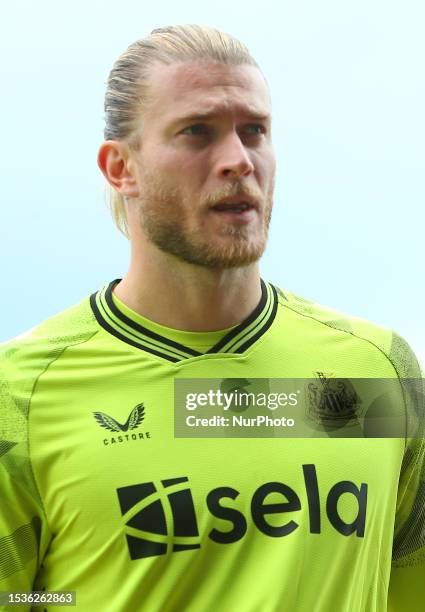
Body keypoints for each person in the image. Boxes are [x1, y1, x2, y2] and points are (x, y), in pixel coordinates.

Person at [0, 24, 423, 612]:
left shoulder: (380, 372)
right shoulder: (19, 394)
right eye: (197, 132)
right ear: (121, 168)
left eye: (255, 131)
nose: (237, 160)